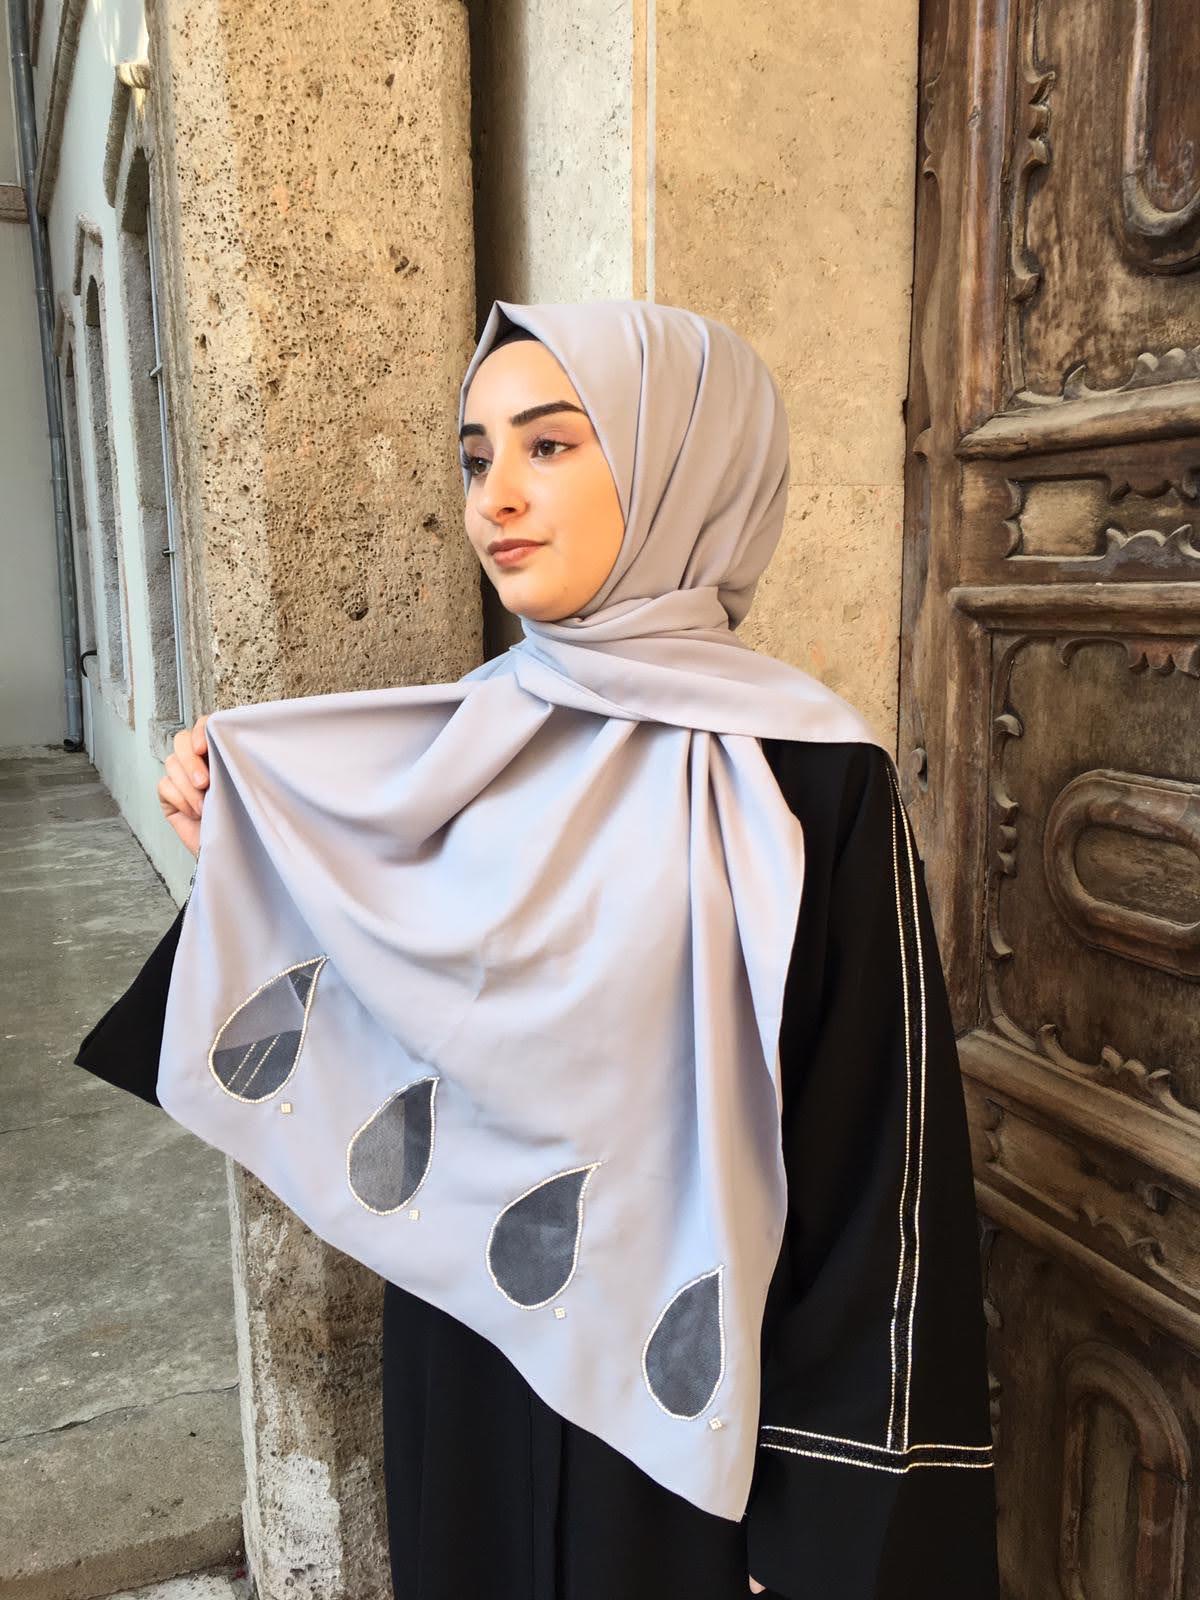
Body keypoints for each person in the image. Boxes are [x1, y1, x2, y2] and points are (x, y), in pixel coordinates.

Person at [74, 300, 1000, 1600]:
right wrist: (240, 837)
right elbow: (392, 1005)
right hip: (469, 1358)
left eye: (550, 445)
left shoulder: (809, 779)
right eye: (475, 457)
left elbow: (872, 1162)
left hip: (687, 1421)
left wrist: (824, 1515)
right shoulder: (455, 746)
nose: (494, 498)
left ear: (687, 464)